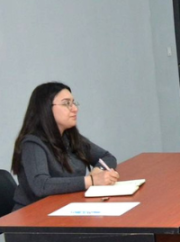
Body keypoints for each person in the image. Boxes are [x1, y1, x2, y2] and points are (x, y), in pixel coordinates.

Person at [11, 82, 118, 210]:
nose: (75, 109)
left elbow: (107, 157)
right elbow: (41, 185)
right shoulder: (32, 143)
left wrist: (97, 171)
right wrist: (91, 181)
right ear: (46, 108)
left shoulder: (70, 137)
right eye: (66, 103)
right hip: (34, 213)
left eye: (74, 103)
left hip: (66, 207)